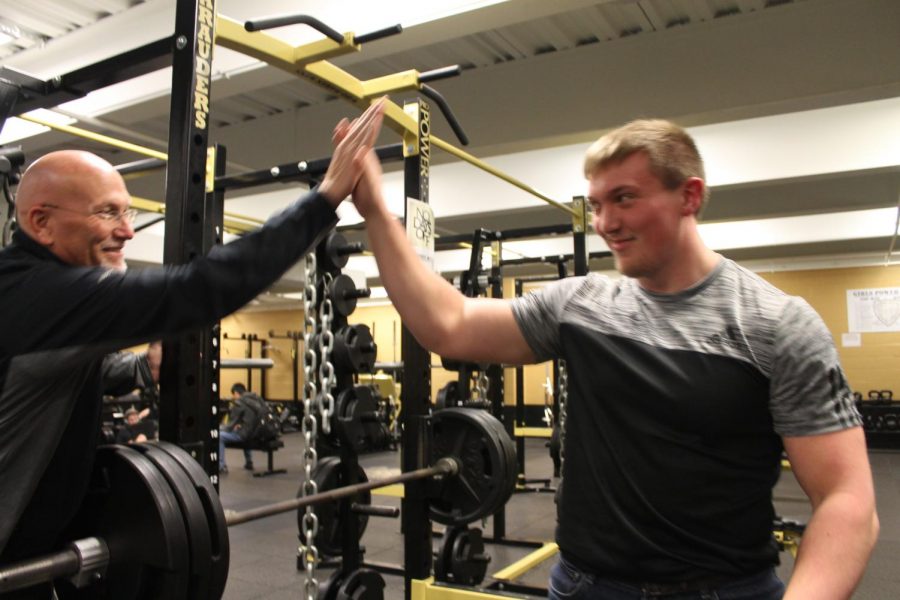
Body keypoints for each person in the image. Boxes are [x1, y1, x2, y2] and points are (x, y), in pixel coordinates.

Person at [348, 118, 879, 599]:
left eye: (624, 198)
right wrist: (374, 208)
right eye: (597, 204)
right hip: (586, 587)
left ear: (689, 196)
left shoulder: (776, 325)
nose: (605, 222)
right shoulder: (581, 305)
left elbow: (846, 501)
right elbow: (450, 324)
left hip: (723, 591)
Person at [0, 98, 385, 588]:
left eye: (128, 211)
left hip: (30, 561)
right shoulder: (42, 294)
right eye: (106, 213)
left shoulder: (30, 294)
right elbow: (199, 289)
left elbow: (47, 371)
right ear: (40, 223)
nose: (125, 230)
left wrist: (141, 370)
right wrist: (326, 197)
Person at [219, 382, 260, 472]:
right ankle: (249, 462)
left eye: (233, 395)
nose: (233, 397)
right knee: (242, 430)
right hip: (256, 433)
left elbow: (230, 425)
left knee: (219, 436)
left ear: (237, 393)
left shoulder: (239, 403)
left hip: (244, 434)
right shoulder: (255, 399)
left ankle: (221, 465)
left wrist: (218, 428)